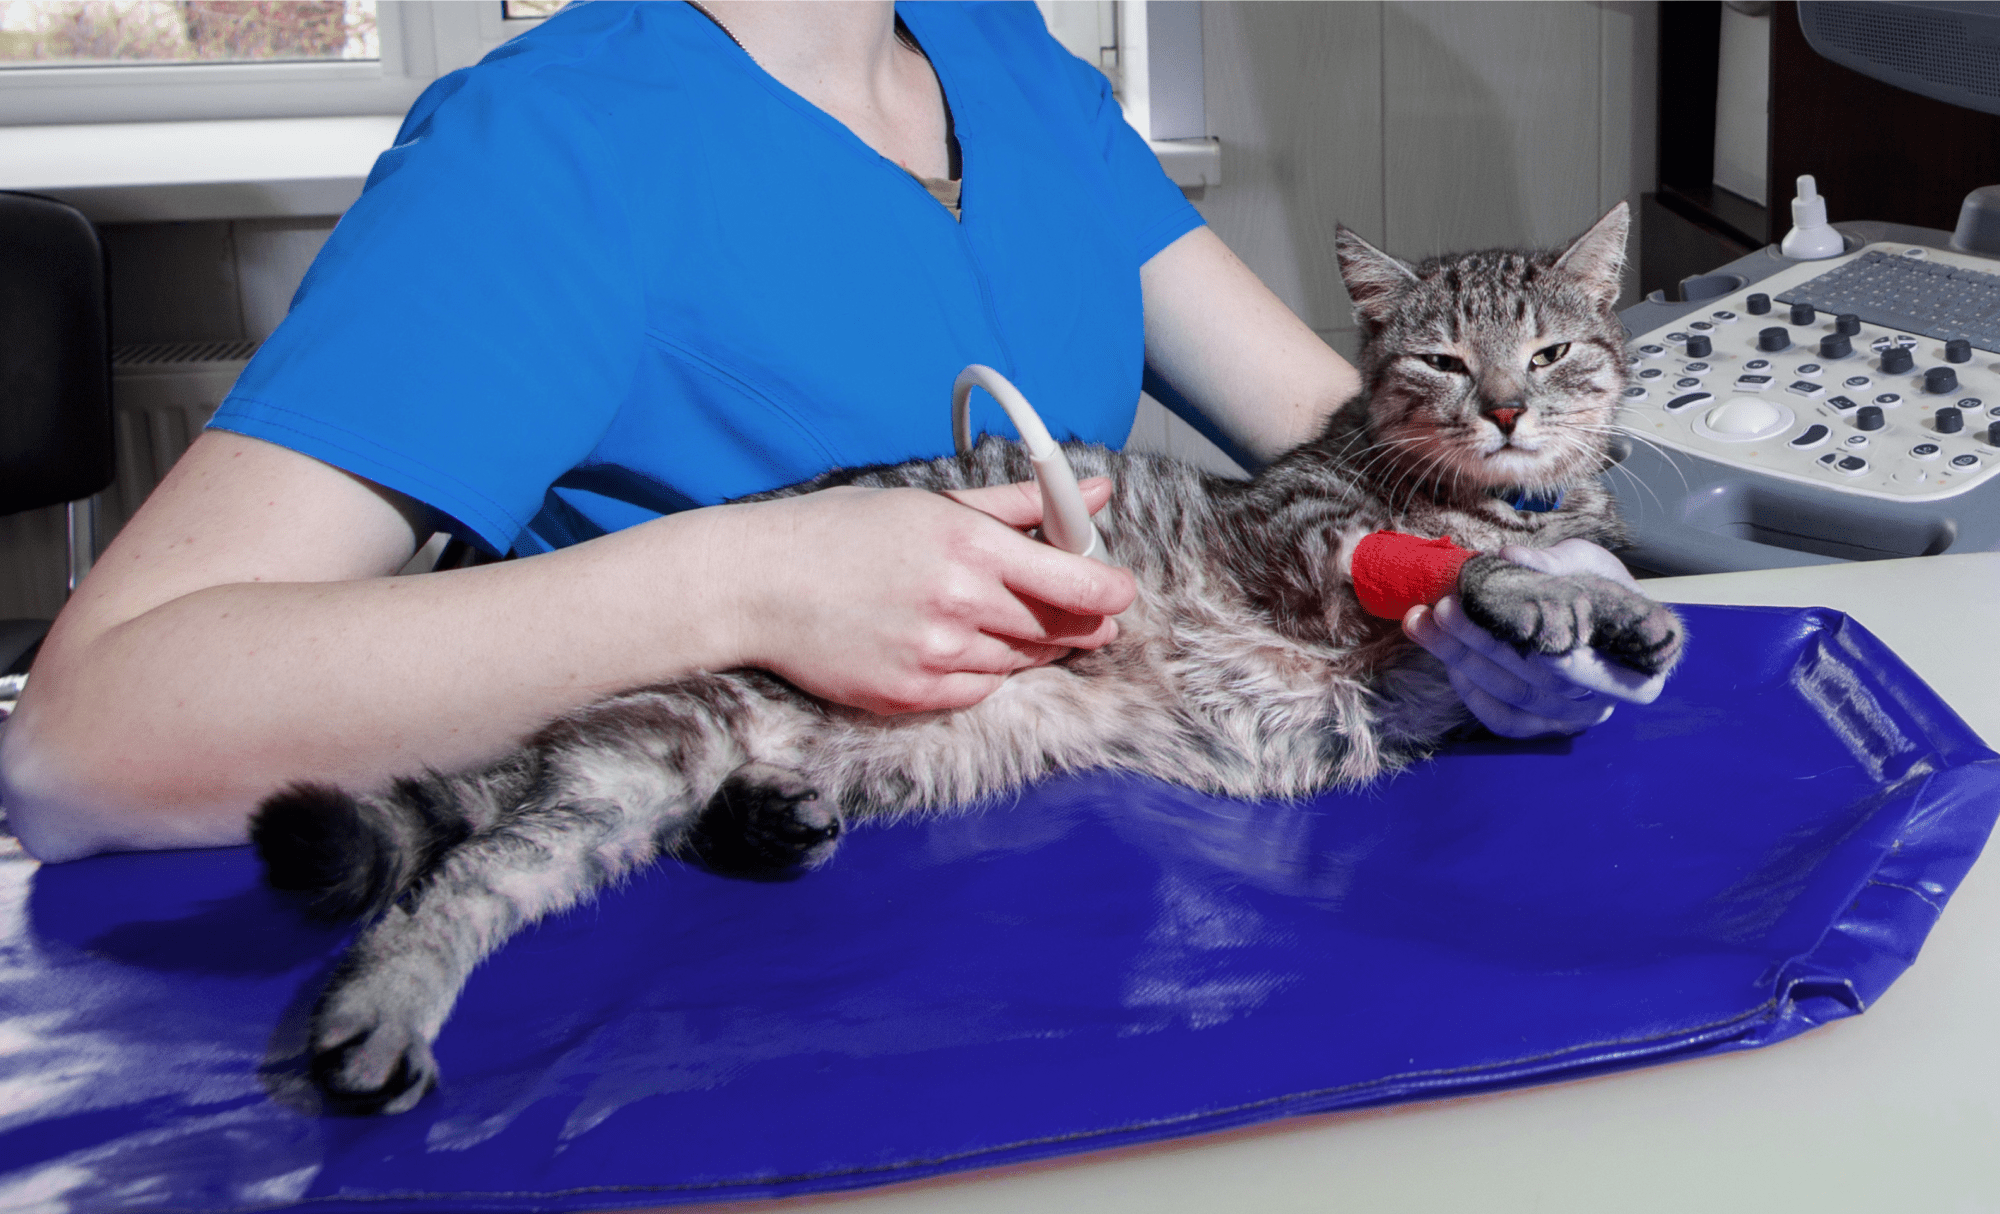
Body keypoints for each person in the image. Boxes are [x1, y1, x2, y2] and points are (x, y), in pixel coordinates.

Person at [0, 1, 1657, 864]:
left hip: (1099, 871)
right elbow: (87, 746)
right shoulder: (549, 149)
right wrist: (745, 582)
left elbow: (1349, 448)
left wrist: (1528, 594)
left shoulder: (1017, 68)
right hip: (737, 936)